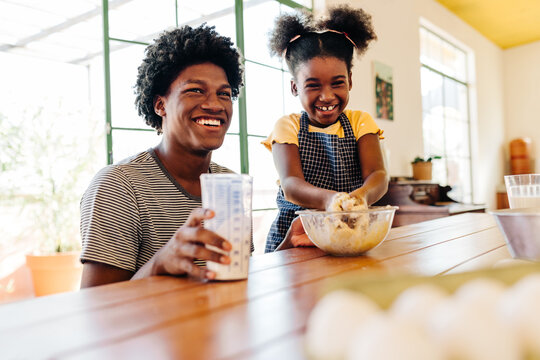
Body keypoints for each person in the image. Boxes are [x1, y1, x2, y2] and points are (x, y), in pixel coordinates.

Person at [79, 24, 247, 287]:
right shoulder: (119, 186)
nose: (215, 105)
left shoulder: (229, 183)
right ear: (160, 105)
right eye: (195, 90)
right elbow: (95, 310)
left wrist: (288, 245)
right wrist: (159, 263)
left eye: (224, 94)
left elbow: (235, 277)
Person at [263, 5, 389, 252]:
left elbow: (378, 175)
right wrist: (330, 200)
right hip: (297, 235)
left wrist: (360, 198)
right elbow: (290, 183)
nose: (327, 96)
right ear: (295, 88)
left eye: (337, 83)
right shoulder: (287, 126)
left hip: (349, 230)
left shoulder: (360, 122)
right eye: (313, 86)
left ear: (350, 81)